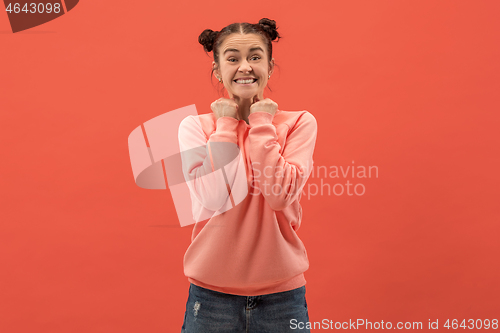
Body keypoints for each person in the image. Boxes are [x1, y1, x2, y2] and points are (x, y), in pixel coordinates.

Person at [178, 18, 317, 333]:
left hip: (282, 296)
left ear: (269, 66)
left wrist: (262, 121)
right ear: (217, 70)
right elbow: (214, 196)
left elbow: (279, 194)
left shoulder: (299, 124)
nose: (245, 66)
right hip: (210, 295)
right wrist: (225, 125)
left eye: (255, 57)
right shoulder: (195, 127)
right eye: (232, 58)